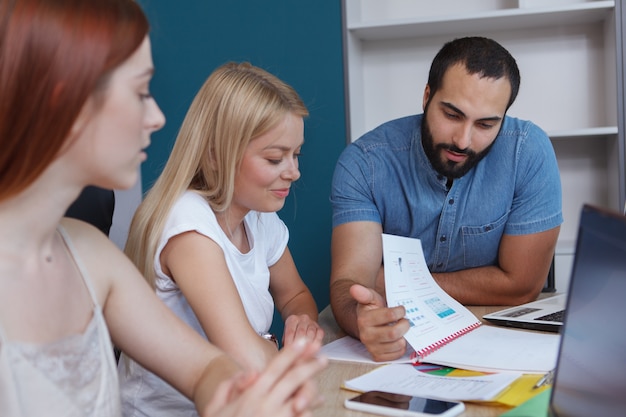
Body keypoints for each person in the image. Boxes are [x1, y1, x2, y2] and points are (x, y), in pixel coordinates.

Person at [0, 1, 326, 416]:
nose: (156, 117)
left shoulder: (90, 252)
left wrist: (230, 397)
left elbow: (208, 367)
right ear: (64, 101)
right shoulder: (182, 223)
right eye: (140, 93)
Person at [329, 36, 563, 362]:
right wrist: (362, 321)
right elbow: (349, 283)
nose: (463, 140)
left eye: (485, 124)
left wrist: (397, 282)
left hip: (494, 337)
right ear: (427, 97)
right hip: (395, 336)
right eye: (452, 114)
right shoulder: (364, 163)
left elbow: (522, 287)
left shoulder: (529, 151)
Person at [119, 61, 325, 416]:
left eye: (296, 154)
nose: (294, 172)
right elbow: (242, 356)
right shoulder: (187, 222)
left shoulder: (261, 217)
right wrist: (280, 352)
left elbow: (295, 295)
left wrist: (300, 322)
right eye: (275, 158)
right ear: (216, 155)